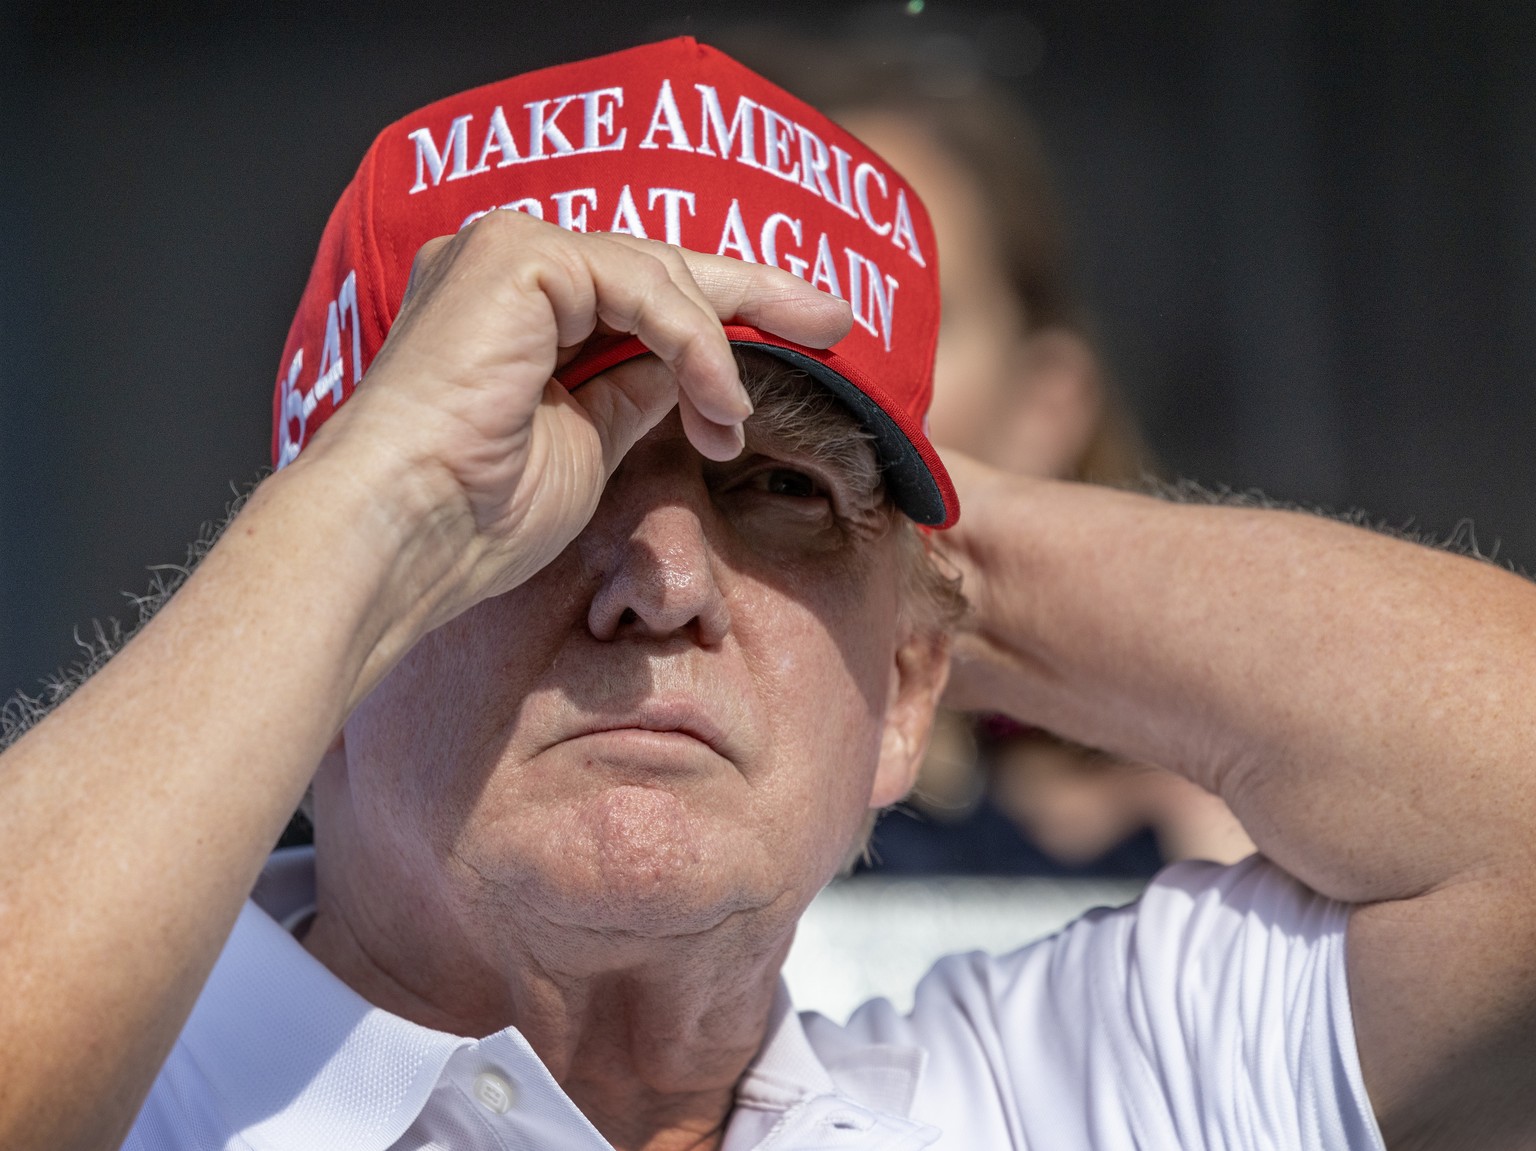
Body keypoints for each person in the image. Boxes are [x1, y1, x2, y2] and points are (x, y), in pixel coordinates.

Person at [1, 37, 1533, 1151]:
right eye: (532, 493)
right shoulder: (147, 1090)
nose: (662, 579)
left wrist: (941, 533)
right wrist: (366, 505)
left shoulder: (1048, 1093)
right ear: (330, 620)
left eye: (776, 496)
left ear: (912, 692)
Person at [740, 33, 1253, 874]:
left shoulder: (1178, 865)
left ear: (1047, 404)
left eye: (891, 310)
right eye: (763, 301)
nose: (824, 359)